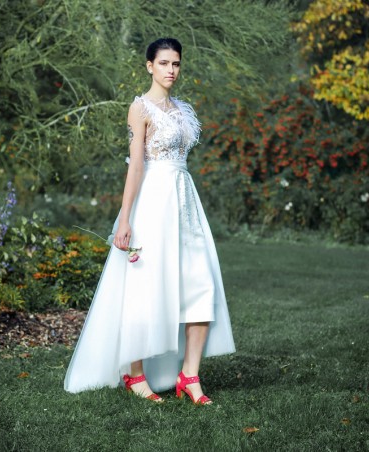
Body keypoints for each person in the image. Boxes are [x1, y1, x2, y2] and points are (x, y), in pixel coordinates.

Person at [64, 38, 235, 405]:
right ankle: (135, 374)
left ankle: (189, 376)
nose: (171, 70)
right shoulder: (140, 108)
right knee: (145, 286)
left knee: (200, 284)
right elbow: (137, 165)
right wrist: (125, 219)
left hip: (185, 202)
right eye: (164, 63)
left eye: (176, 64)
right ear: (149, 66)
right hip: (153, 202)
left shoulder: (183, 110)